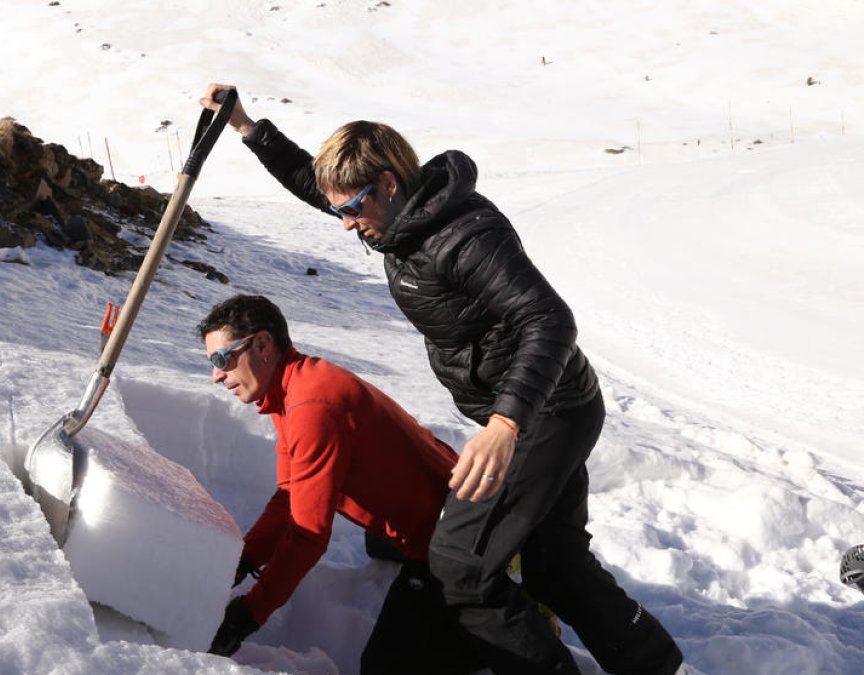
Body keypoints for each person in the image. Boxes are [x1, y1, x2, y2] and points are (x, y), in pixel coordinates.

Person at [199, 83, 685, 675]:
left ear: (389, 185)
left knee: (458, 561)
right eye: (340, 211)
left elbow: (549, 319)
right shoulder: (392, 222)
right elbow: (312, 181)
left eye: (353, 208)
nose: (347, 225)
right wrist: (249, 127)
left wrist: (506, 423)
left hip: (544, 409)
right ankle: (661, 667)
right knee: (555, 566)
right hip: (523, 411)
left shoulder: (464, 235)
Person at [199, 294, 482, 674]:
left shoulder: (312, 408)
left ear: (263, 345)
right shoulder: (294, 388)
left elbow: (308, 535)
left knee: (384, 666)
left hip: (452, 537)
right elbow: (289, 496)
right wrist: (242, 561)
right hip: (444, 509)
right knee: (376, 542)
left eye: (222, 359)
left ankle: (478, 625)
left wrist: (248, 615)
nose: (216, 375)